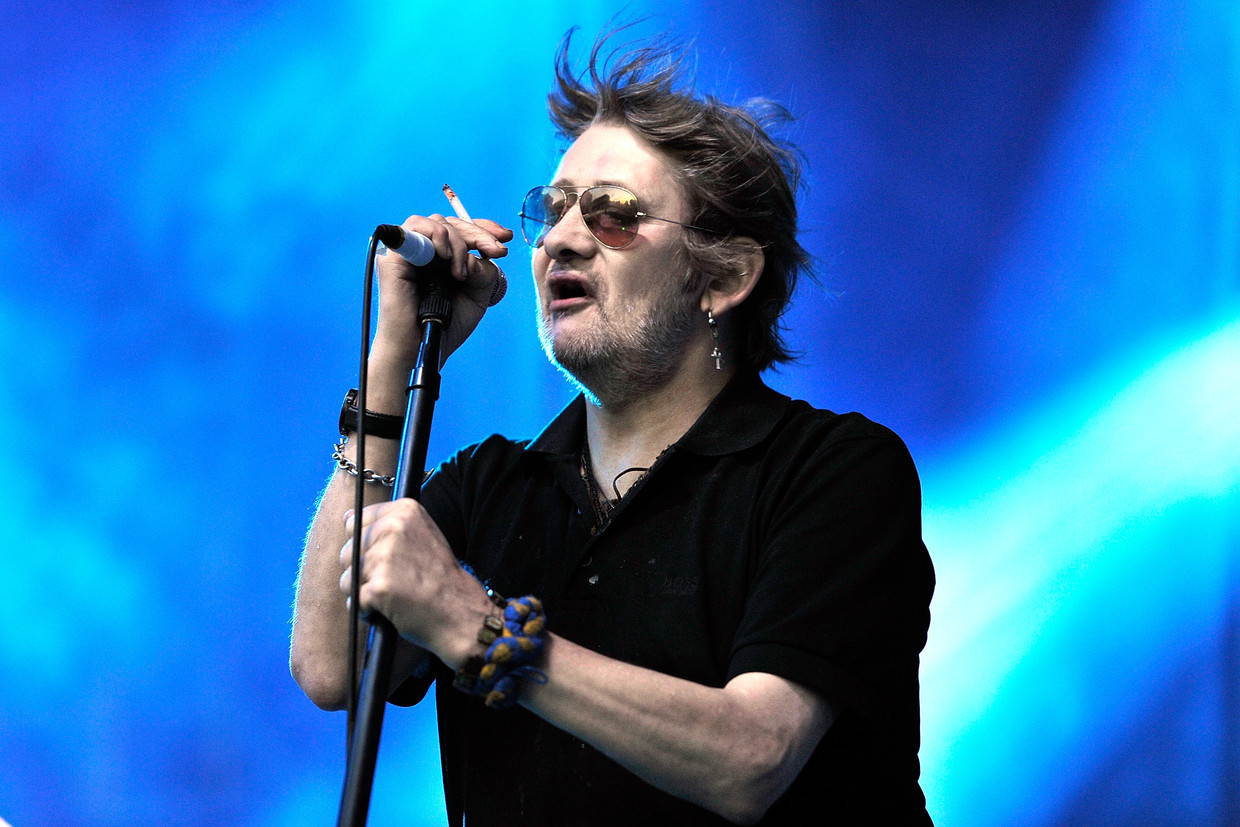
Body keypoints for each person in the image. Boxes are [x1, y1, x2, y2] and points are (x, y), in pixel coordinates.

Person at [290, 29, 935, 826]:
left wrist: (478, 627)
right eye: (553, 209)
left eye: (615, 214)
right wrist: (395, 355)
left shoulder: (834, 472)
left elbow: (755, 755)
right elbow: (333, 666)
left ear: (726, 276)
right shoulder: (491, 486)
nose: (561, 238)